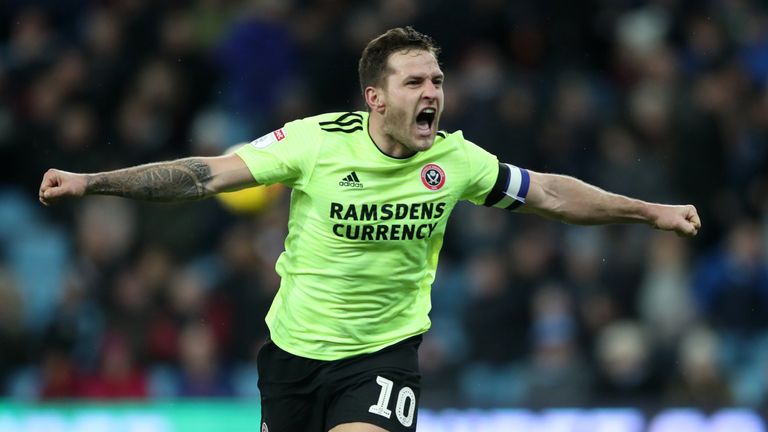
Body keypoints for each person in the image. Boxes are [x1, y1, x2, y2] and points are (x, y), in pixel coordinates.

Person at [39, 27, 701, 432]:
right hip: (293, 356)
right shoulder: (315, 144)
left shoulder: (456, 160)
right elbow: (203, 175)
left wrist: (650, 211)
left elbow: (550, 193)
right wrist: (95, 182)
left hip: (382, 355)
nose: (434, 93)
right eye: (416, 81)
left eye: (437, 80)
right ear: (376, 98)